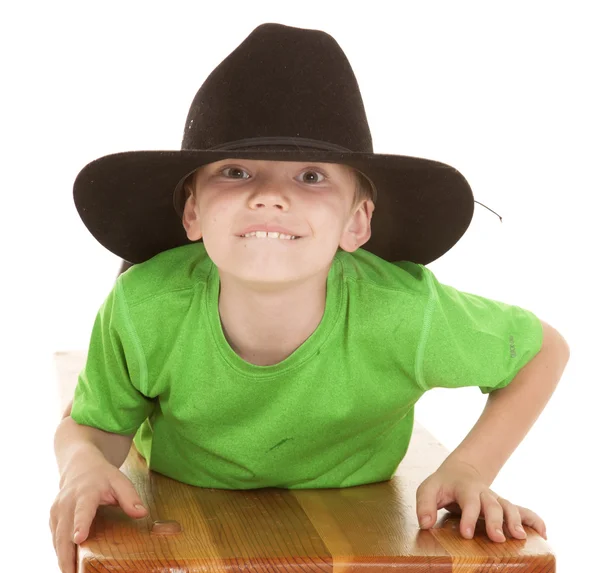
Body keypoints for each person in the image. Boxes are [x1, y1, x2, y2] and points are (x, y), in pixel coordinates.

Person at [49, 22, 570, 573]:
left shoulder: (405, 313)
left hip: (350, 498)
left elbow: (542, 350)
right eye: (236, 171)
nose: (271, 196)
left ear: (358, 221)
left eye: (312, 176)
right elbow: (94, 428)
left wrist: (471, 469)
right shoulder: (142, 307)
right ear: (193, 211)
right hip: (188, 491)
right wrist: (80, 463)